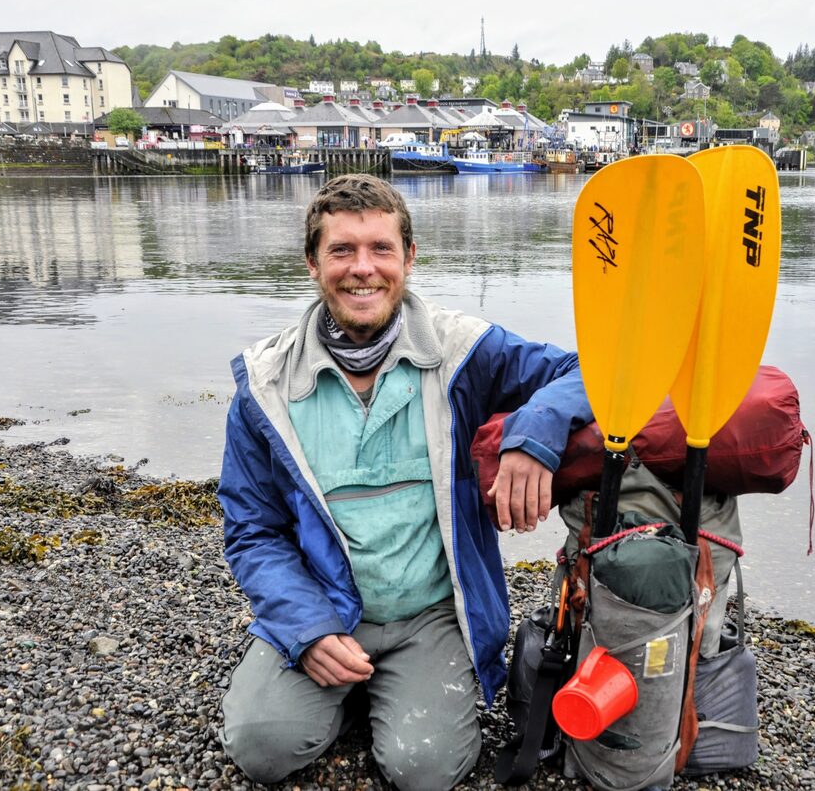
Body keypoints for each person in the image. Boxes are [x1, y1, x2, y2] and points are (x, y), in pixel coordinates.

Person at [217, 174, 591, 788]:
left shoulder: (465, 351)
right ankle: (339, 677)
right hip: (326, 608)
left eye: (381, 250)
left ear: (409, 259)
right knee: (262, 749)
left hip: (431, 615)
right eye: (342, 250)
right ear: (313, 263)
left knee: (424, 771)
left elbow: (583, 368)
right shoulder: (265, 387)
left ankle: (383, 688)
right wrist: (308, 631)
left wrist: (535, 434)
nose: (362, 269)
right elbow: (253, 533)